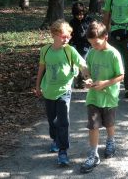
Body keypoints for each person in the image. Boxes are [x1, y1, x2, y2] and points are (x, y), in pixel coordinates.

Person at [34, 19, 89, 166]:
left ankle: (63, 152)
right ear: (54, 34)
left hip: (64, 91)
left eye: (69, 36)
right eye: (64, 36)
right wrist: (37, 86)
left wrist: (88, 76)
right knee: (52, 121)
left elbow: (83, 65)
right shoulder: (45, 50)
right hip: (48, 91)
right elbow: (41, 69)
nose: (67, 39)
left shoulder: (69, 50)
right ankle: (55, 139)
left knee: (63, 122)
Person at [79, 21, 124, 174]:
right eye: (91, 44)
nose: (94, 46)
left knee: (109, 123)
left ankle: (111, 141)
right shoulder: (92, 52)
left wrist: (106, 83)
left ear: (105, 37)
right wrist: (88, 80)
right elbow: (88, 72)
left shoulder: (113, 54)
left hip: (109, 96)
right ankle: (93, 154)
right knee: (93, 125)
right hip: (93, 97)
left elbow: (121, 76)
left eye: (96, 43)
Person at [69, 2, 92, 88]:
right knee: (76, 63)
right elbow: (70, 33)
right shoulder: (72, 22)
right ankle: (76, 80)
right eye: (77, 15)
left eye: (81, 14)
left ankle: (82, 81)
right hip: (75, 44)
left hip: (86, 44)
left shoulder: (89, 21)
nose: (80, 16)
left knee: (83, 61)